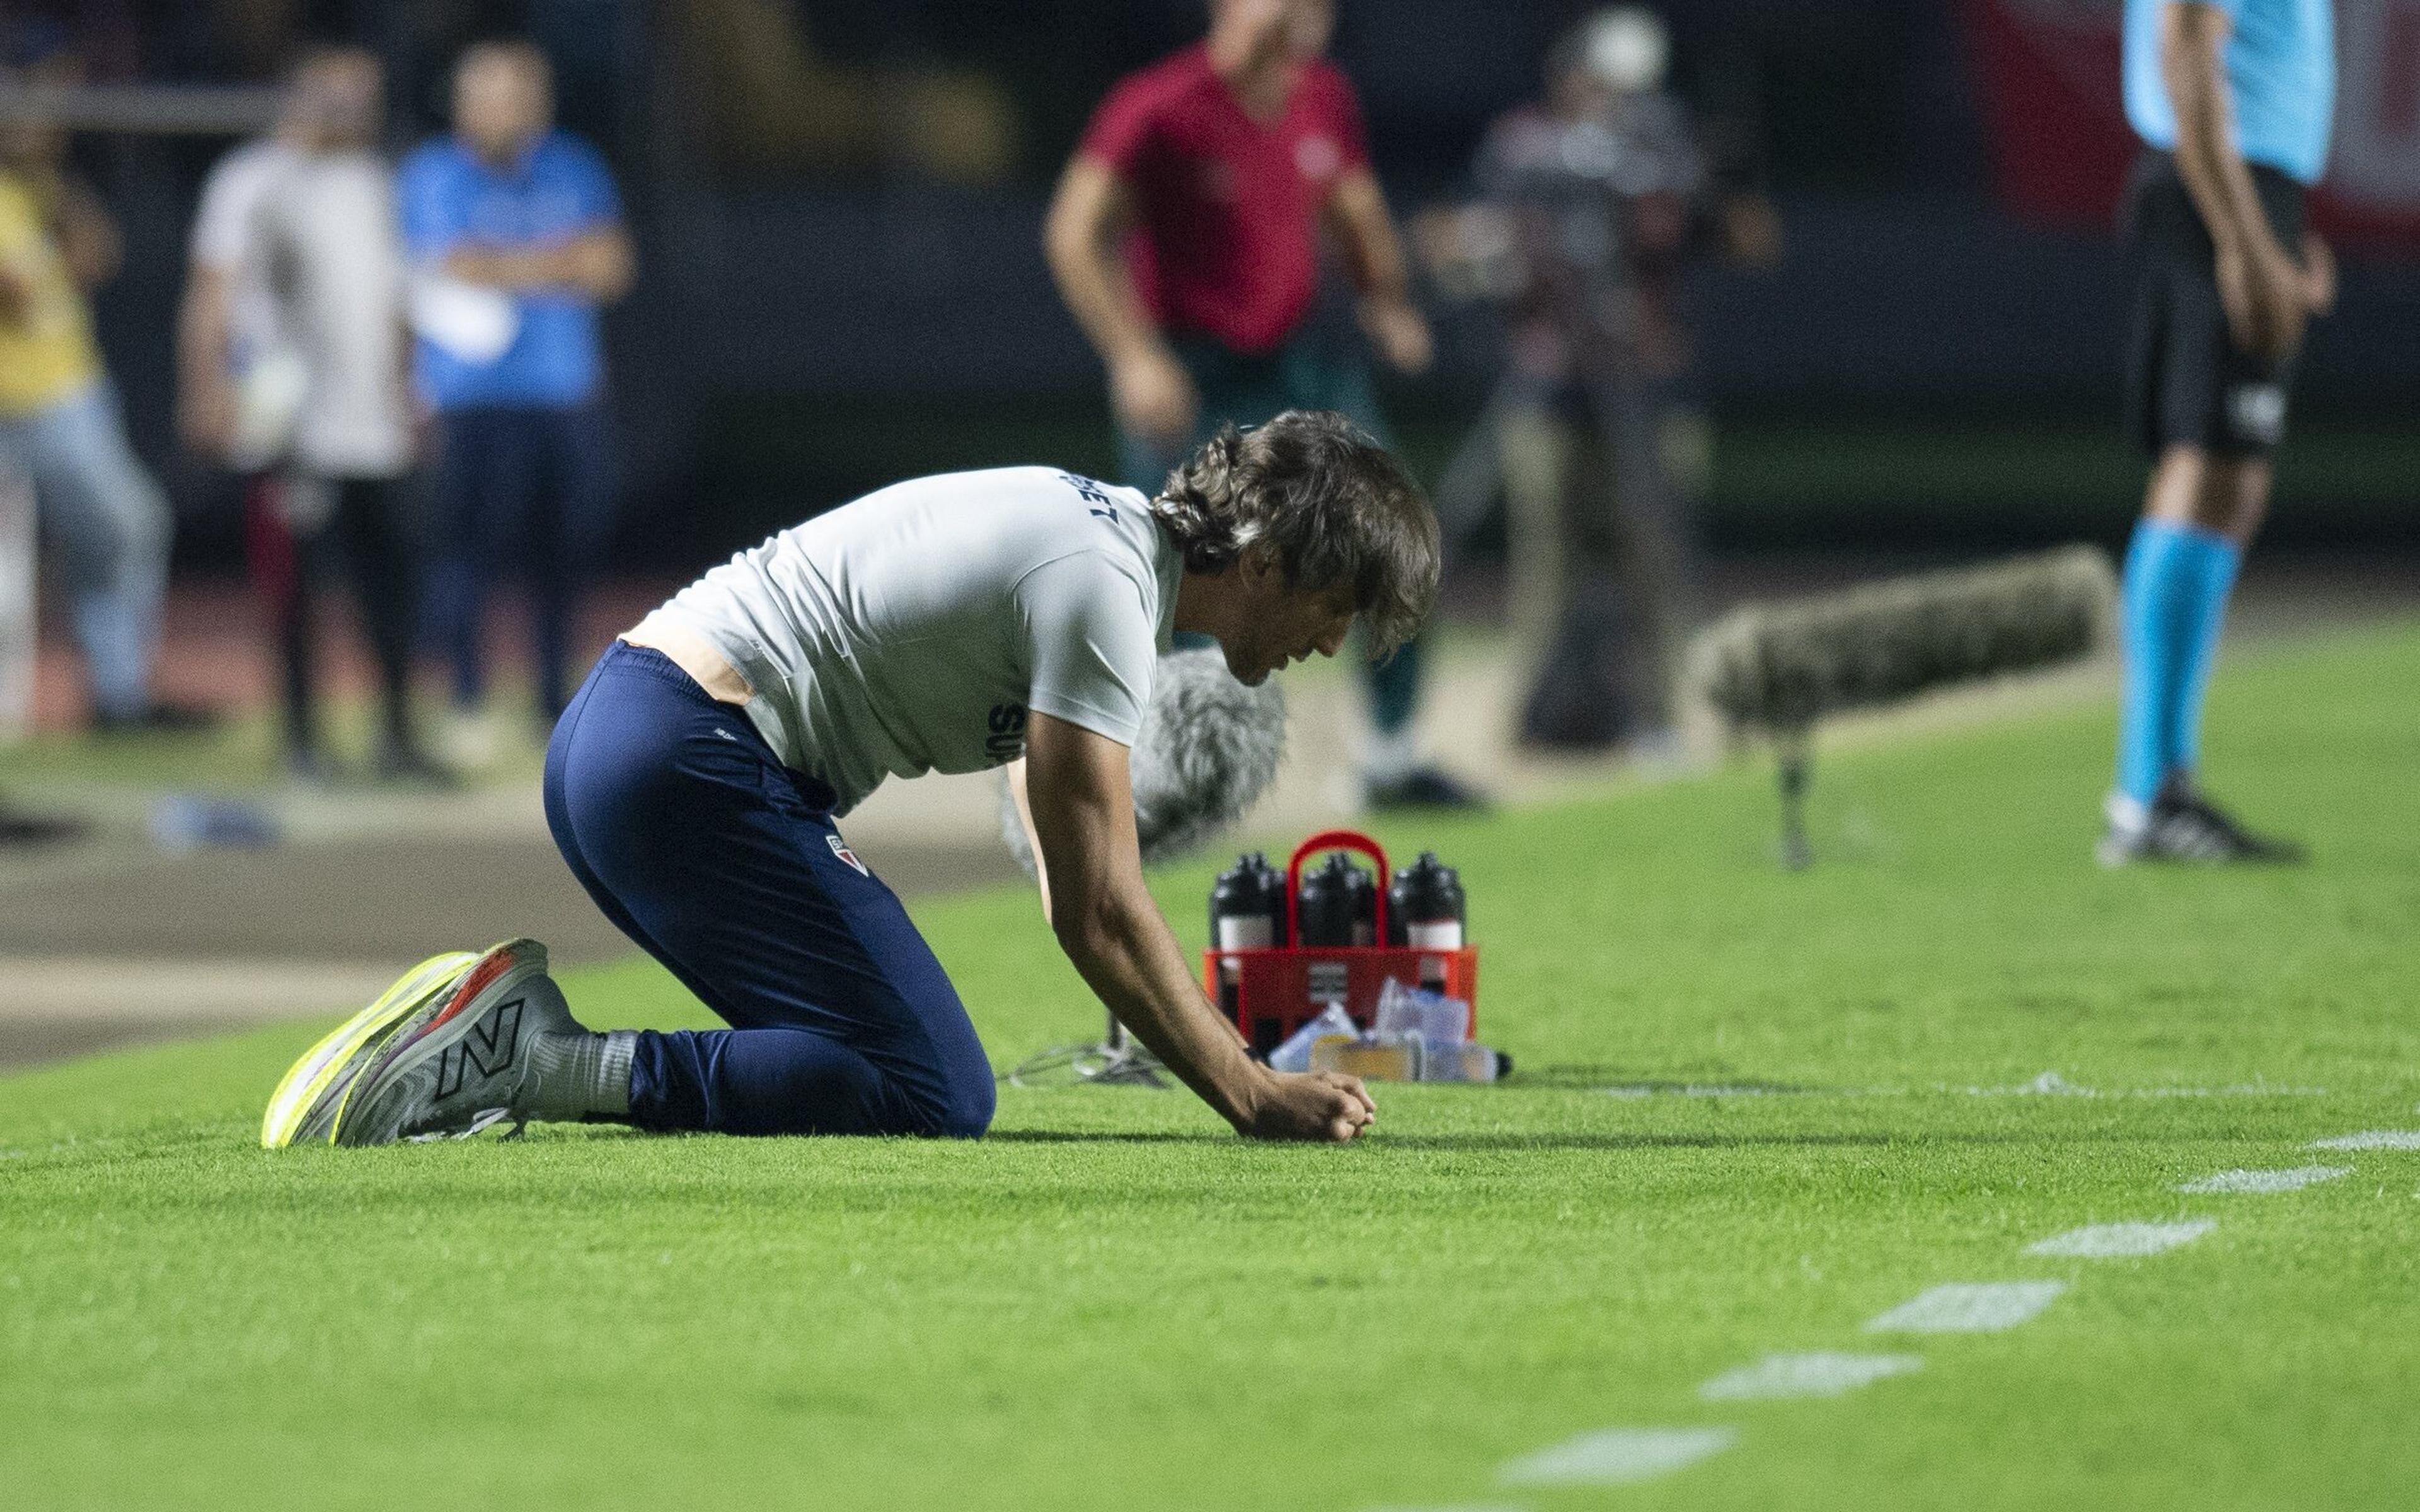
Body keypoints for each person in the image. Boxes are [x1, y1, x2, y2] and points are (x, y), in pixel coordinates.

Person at [265, 410, 1422, 1148]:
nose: (1334, 642)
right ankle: (532, 1059)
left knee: (872, 1063)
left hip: (631, 740)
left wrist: (1113, 933)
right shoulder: (1108, 588)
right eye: (1339, 607)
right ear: (1267, 561)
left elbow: (1063, 841)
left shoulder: (1106, 545)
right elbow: (1100, 908)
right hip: (686, 759)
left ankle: (519, 1050)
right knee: (933, 1091)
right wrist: (1249, 1091)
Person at [1044, 0, 1478, 811]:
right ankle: (1172, 778)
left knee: (1394, 533)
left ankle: (1390, 757)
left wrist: (1387, 298)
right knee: (1175, 575)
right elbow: (1074, 232)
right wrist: (1134, 356)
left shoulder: (1321, 95)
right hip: (1196, 375)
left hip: (1300, 369)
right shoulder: (1159, 106)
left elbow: (1353, 205)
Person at [1422, 8, 1778, 750]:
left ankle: (1659, 719)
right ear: (1570, 76)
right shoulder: (1526, 147)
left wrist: (1717, 180)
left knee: (1655, 556)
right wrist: (1496, 247)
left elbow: (1751, 243)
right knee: (1545, 569)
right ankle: (1531, 720)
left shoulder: (1666, 154)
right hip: (1548, 382)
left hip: (1650, 383)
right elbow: (1446, 237)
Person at [2099, 0, 2333, 865]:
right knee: (2207, 472)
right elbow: (2186, 44)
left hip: (2238, 181)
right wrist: (2245, 241)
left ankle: (2155, 786)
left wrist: (2280, 227)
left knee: (2224, 483)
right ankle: (2150, 788)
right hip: (2214, 185)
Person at [180, 46, 441, 783]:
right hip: (294, 420)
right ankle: (302, 739)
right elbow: (213, 293)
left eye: (366, 96)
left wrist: (414, 389)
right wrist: (206, 389)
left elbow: (398, 298)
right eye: (338, 95)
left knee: (390, 582)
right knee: (294, 588)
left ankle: (397, 736)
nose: (354, 110)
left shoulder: (378, 181)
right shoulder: (255, 180)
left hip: (377, 420)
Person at [398, 39, 632, 767]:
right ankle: (465, 698)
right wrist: (555, 261)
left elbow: (611, 267)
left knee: (564, 557)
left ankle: (554, 703)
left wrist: (507, 265)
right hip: (473, 398)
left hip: (562, 395)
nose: (511, 110)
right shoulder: (433, 172)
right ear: (464, 103)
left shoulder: (575, 165)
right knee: (467, 556)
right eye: (494, 94)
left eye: (524, 93)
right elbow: (450, 263)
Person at [0, 51, 204, 734]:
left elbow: (99, 255)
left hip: (69, 391)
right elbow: (16, 293)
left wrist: (48, 177)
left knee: (127, 529)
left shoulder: (41, 191)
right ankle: (92, 695)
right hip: (18, 400)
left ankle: (121, 691)